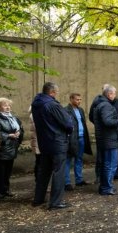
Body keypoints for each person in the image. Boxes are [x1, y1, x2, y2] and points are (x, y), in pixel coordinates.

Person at [31, 82, 73, 210]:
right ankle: (55, 202)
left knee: (44, 171)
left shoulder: (36, 104)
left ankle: (38, 198)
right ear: (52, 92)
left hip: (44, 142)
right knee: (59, 171)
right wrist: (69, 129)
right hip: (57, 141)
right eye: (57, 92)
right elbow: (67, 123)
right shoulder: (52, 105)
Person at [93, 85, 118, 195]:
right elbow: (107, 121)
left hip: (105, 139)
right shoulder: (106, 105)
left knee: (107, 164)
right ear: (109, 94)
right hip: (109, 140)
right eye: (114, 93)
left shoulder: (100, 104)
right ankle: (106, 188)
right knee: (110, 165)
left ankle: (105, 186)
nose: (115, 95)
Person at [90, 84, 118, 183]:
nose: (115, 95)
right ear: (108, 93)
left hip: (113, 134)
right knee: (106, 161)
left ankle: (113, 177)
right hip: (106, 136)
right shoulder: (101, 103)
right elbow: (96, 118)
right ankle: (103, 182)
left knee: (113, 160)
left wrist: (117, 121)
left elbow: (117, 115)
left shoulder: (116, 101)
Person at [0, 98, 24, 199]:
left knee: (8, 171)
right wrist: (8, 135)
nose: (8, 107)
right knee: (0, 172)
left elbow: (20, 128)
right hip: (2, 148)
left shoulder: (13, 117)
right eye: (5, 105)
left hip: (12, 147)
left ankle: (5, 189)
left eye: (9, 105)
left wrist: (19, 133)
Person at [64, 93, 92, 190]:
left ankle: (79, 180)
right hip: (71, 139)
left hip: (81, 138)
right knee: (68, 160)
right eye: (77, 99)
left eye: (80, 99)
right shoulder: (66, 110)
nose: (79, 101)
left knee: (79, 159)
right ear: (71, 99)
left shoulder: (80, 110)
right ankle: (67, 183)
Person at [28, 106, 41, 183]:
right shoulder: (35, 115)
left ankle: (39, 180)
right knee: (40, 162)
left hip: (37, 142)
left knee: (39, 162)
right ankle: (39, 181)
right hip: (38, 142)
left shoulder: (34, 113)